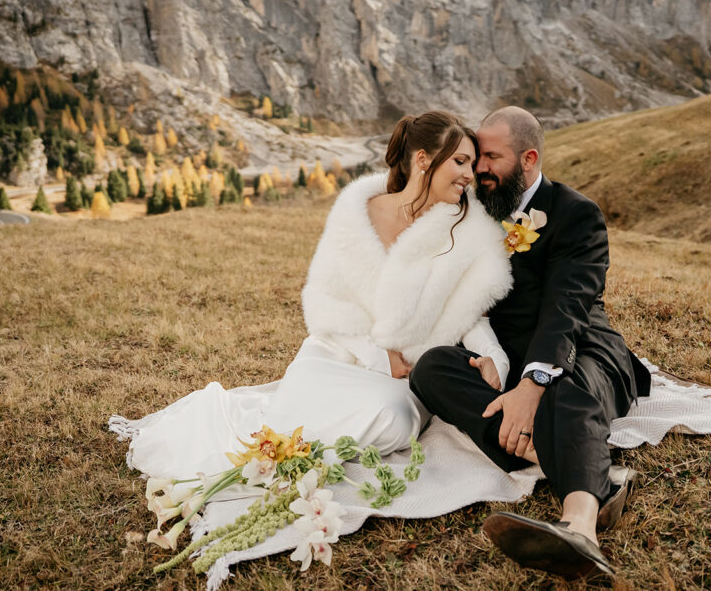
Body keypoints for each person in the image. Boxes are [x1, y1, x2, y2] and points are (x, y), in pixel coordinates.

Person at [117, 111, 513, 482]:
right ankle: (274, 448)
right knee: (297, 412)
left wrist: (493, 361)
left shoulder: (463, 231)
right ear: (424, 159)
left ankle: (291, 453)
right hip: (340, 350)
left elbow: (470, 313)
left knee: (391, 418)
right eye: (460, 161)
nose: (469, 174)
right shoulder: (359, 212)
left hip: (407, 374)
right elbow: (332, 300)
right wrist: (382, 351)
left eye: (471, 164)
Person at [409, 106, 652, 581]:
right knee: (432, 369)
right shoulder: (474, 211)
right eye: (477, 156)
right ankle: (590, 470)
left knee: (564, 390)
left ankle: (580, 525)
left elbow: (568, 308)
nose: (479, 168)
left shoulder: (576, 214)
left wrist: (531, 384)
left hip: (582, 347)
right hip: (503, 354)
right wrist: (483, 358)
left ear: (529, 159)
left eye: (492, 157)